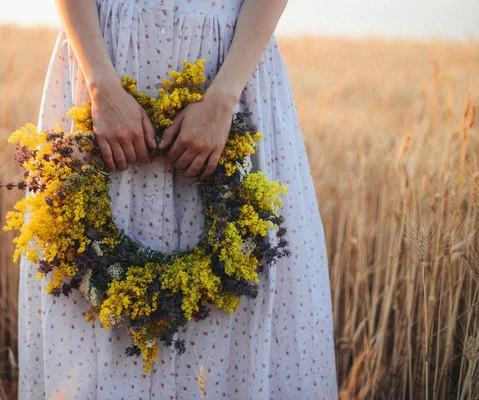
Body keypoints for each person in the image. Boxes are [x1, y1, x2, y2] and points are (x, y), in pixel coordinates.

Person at [17, 0, 339, 398]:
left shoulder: (227, 94)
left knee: (239, 306)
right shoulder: (100, 79)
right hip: (102, 60)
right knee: (84, 304)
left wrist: (223, 100)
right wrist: (101, 84)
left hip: (227, 70)